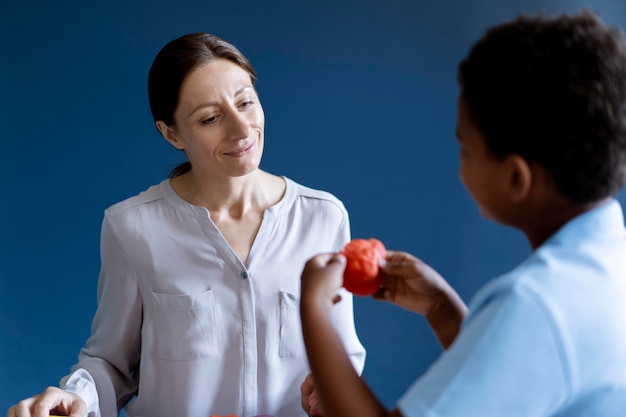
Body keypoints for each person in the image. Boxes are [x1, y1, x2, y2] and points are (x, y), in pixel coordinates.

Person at [8, 33, 365, 417]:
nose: (241, 129)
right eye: (211, 118)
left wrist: (334, 391)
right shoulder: (132, 227)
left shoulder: (323, 217)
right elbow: (110, 363)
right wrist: (78, 397)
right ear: (171, 133)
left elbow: (341, 351)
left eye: (246, 102)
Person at [299, 10, 626, 417]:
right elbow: (514, 383)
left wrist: (314, 312)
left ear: (515, 177)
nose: (460, 164)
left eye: (466, 150)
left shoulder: (534, 303)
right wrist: (442, 308)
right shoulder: (607, 263)